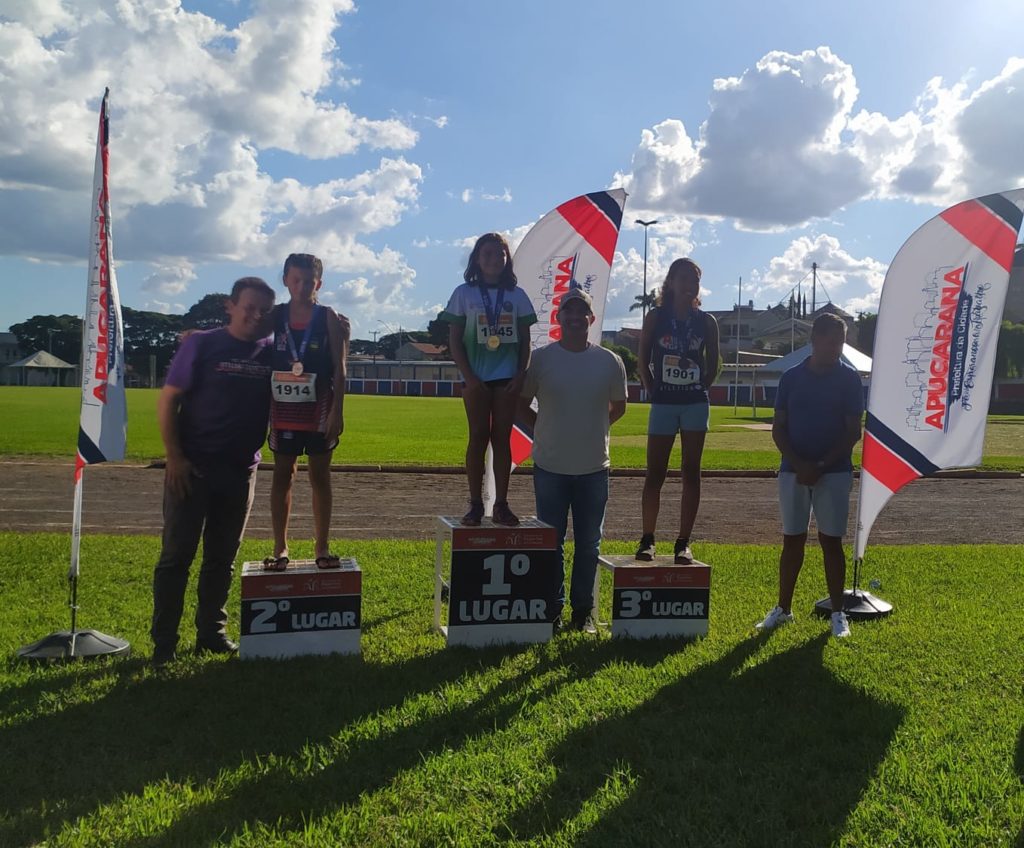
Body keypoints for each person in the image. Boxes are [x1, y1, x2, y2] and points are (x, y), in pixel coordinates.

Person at [151, 277, 276, 663]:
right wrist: (175, 457)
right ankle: (164, 643)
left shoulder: (273, 352)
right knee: (176, 558)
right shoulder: (201, 344)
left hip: (241, 471)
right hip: (192, 468)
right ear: (230, 306)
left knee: (222, 559)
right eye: (249, 307)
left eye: (264, 311)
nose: (255, 315)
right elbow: (168, 401)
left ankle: (211, 633)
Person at [519, 287, 627, 633]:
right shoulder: (540, 359)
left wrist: (593, 428)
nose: (576, 317)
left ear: (591, 319)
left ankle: (582, 612)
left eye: (582, 312)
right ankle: (552, 610)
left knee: (589, 545)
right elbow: (521, 404)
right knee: (551, 543)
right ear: (558, 317)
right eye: (569, 311)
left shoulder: (609, 361)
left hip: (594, 467)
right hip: (550, 466)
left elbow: (619, 407)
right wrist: (543, 430)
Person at [756, 313, 864, 639]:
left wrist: (820, 465)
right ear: (814, 339)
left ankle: (838, 613)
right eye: (831, 342)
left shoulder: (849, 379)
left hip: (834, 472)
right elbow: (778, 428)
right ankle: (783, 609)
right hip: (793, 471)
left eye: (840, 342)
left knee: (831, 541)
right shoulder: (790, 378)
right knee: (792, 540)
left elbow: (852, 431)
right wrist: (800, 463)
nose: (836, 348)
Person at [443, 232, 537, 526]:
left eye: (500, 254)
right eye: (487, 254)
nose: (494, 259)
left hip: (507, 378)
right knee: (478, 436)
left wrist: (520, 375)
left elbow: (526, 342)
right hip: (476, 378)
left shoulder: (517, 295)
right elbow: (454, 341)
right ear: (476, 259)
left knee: (502, 439)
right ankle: (474, 504)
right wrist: (469, 377)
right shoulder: (464, 294)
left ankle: (501, 505)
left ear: (508, 259)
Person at [266, 253, 350, 571]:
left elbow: (340, 368)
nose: (302, 287)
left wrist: (338, 412)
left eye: (309, 282)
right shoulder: (275, 316)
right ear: (285, 280)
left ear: (319, 284)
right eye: (296, 280)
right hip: (283, 410)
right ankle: (280, 547)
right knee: (282, 475)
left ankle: (321, 545)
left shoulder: (328, 317)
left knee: (320, 476)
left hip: (320, 409)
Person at [635, 258, 720, 564]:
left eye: (694, 280)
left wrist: (699, 388)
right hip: (664, 403)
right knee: (655, 472)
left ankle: (683, 542)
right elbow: (642, 358)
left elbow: (714, 363)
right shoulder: (656, 317)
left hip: (694, 404)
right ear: (670, 282)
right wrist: (652, 389)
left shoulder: (706, 321)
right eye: (683, 278)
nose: (689, 285)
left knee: (691, 471)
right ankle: (647, 539)